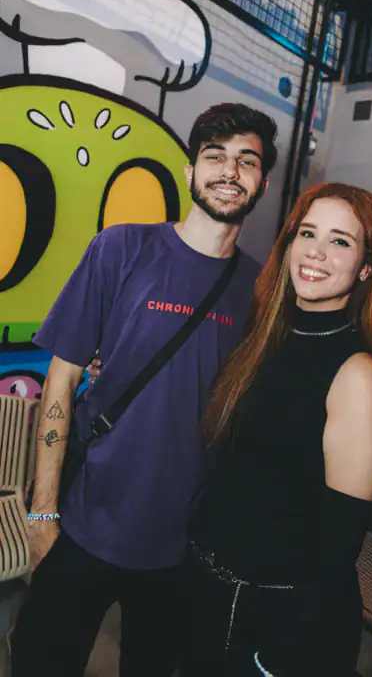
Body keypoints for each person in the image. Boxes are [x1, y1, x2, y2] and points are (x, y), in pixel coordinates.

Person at [10, 103, 278, 677]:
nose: (230, 171)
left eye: (247, 160)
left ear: (262, 182)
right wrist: (42, 511)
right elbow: (61, 380)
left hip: (182, 546)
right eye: (215, 156)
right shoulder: (121, 248)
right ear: (190, 171)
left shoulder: (260, 291)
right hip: (81, 520)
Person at [180, 182, 372, 677]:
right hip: (209, 591)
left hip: (276, 618)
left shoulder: (358, 375)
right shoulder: (266, 339)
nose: (316, 252)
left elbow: (337, 544)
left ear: (366, 268)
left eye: (340, 241)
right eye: (307, 233)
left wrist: (274, 659)